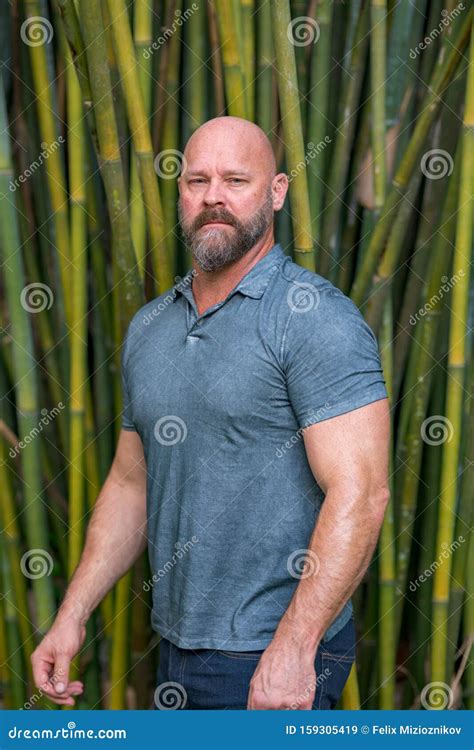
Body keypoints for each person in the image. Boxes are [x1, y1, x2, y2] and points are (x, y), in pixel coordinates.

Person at [31, 116, 390, 711]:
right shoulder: (150, 327)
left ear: (275, 192)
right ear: (180, 193)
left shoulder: (315, 319)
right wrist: (72, 615)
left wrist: (295, 649)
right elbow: (130, 483)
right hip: (175, 647)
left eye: (235, 179)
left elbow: (362, 492)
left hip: (267, 659)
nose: (214, 197)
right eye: (197, 180)